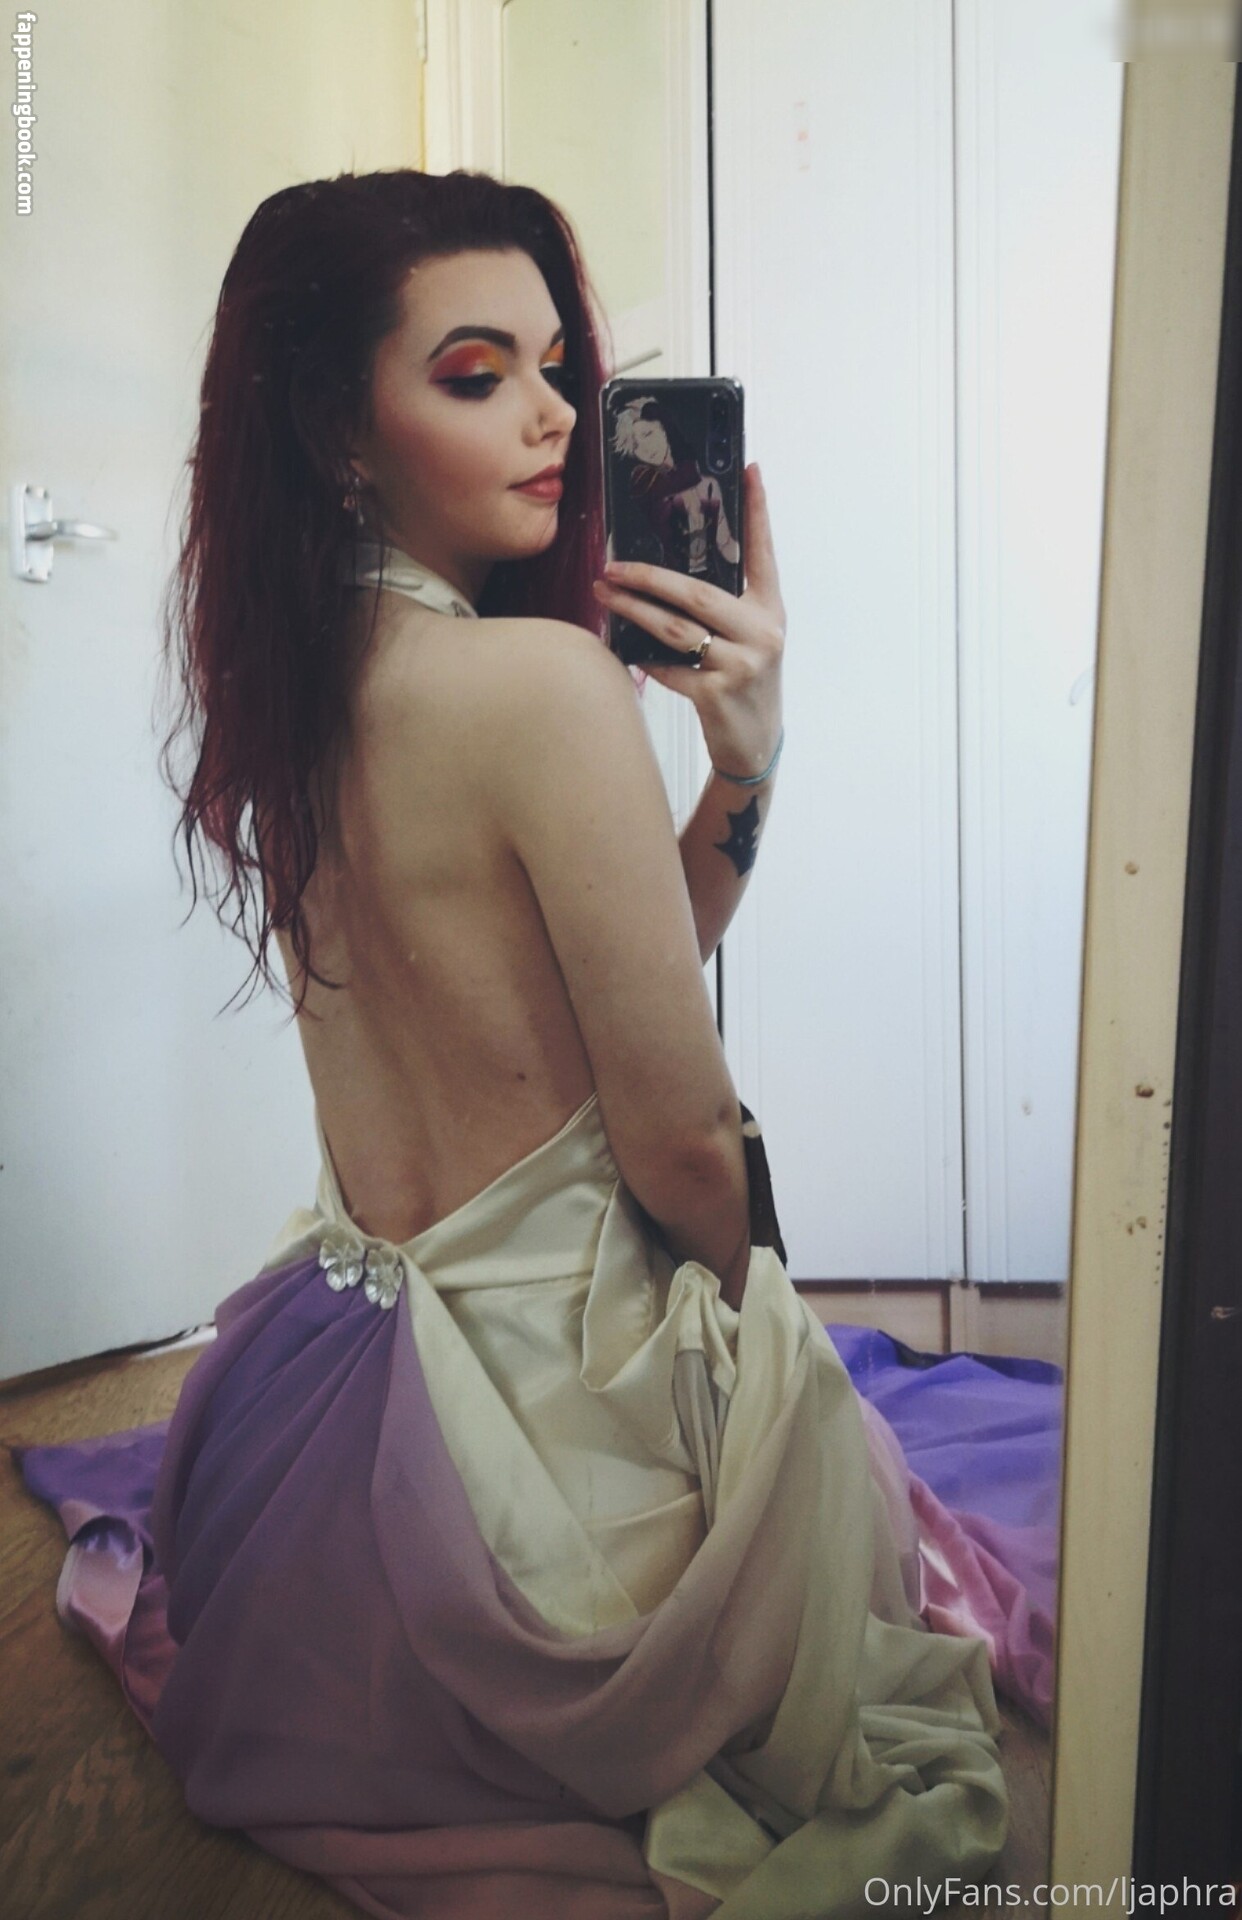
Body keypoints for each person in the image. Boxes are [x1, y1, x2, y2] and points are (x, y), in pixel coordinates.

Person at [66, 169, 1015, 1915]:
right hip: (548, 1456)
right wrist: (764, 1363)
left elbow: (604, 964)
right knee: (857, 1510)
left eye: (559, 367)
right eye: (476, 372)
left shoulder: (295, 684)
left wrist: (734, 767)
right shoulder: (543, 687)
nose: (559, 416)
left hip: (327, 1405)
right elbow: (679, 1139)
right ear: (336, 431)